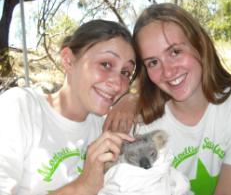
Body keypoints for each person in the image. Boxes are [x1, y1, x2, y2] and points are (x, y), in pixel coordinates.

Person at [105, 3, 231, 195]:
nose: (168, 71)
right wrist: (130, 99)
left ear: (199, 44)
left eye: (175, 52)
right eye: (153, 62)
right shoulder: (142, 124)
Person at [0, 19, 140, 195]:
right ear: (68, 60)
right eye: (106, 64)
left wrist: (134, 98)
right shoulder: (21, 108)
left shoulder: (105, 127)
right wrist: (83, 186)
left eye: (125, 73)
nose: (118, 84)